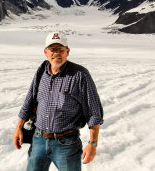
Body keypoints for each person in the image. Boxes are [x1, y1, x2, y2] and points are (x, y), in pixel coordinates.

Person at [12, 32, 103, 171]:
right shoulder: (42, 71)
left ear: (67, 51)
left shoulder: (80, 75)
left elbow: (94, 112)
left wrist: (93, 143)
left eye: (60, 49)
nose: (56, 53)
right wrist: (18, 127)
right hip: (39, 139)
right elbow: (29, 100)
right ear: (46, 52)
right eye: (52, 49)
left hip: (66, 144)